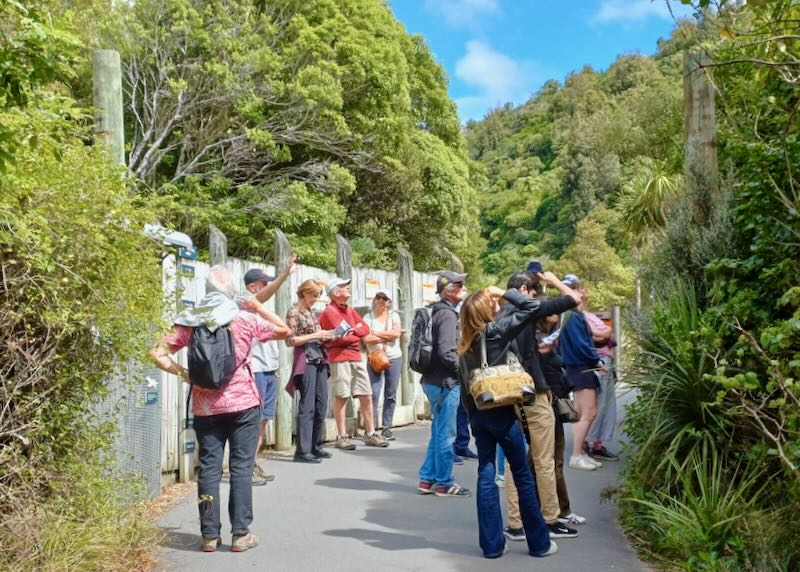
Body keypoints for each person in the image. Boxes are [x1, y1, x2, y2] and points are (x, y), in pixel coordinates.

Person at [148, 265, 290, 553]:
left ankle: (209, 536)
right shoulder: (244, 319)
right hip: (244, 406)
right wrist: (257, 306)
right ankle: (241, 534)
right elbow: (285, 331)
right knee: (241, 468)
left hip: (205, 407)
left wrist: (184, 374)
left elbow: (156, 352)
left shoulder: (190, 322)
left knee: (210, 469)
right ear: (230, 291)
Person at [458, 285, 567, 559]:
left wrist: (474, 419)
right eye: (492, 302)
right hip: (503, 414)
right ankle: (539, 544)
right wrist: (504, 292)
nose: (496, 304)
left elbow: (464, 391)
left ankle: (492, 546)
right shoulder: (495, 332)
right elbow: (531, 307)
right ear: (486, 310)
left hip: (480, 415)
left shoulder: (465, 344)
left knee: (485, 473)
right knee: (521, 474)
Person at [498, 271, 580, 542]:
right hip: (533, 392)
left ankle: (515, 523)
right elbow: (572, 299)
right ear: (524, 289)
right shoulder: (529, 310)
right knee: (543, 459)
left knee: (512, 461)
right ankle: (550, 519)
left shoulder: (497, 313)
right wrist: (555, 281)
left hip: (505, 393)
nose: (537, 297)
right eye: (535, 291)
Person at [417, 270, 471, 498]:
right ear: (450, 291)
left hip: (431, 380)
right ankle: (444, 483)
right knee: (446, 434)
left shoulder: (434, 311)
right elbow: (447, 352)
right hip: (445, 382)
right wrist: (466, 373)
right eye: (460, 286)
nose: (464, 290)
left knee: (438, 431)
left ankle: (427, 479)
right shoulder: (448, 315)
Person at [318, 278, 388, 449]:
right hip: (339, 357)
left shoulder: (349, 309)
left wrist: (351, 330)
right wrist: (354, 332)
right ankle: (341, 436)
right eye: (343, 286)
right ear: (335, 292)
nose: (347, 288)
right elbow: (342, 336)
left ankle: (370, 433)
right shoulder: (329, 312)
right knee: (341, 396)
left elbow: (365, 329)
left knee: (366, 394)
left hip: (356, 356)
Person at [537, 312, 587, 527]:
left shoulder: (546, 339)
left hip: (550, 403)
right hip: (547, 406)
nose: (556, 314)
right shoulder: (538, 342)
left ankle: (555, 510)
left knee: (545, 462)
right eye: (551, 311)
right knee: (549, 462)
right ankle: (556, 512)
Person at [241, 267, 286, 484]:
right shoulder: (245, 303)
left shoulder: (260, 310)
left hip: (270, 369)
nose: (268, 287)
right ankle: (244, 468)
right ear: (253, 286)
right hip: (256, 369)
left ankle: (252, 462)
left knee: (263, 421)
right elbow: (264, 297)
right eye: (264, 283)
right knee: (253, 421)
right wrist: (284, 275)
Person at [285, 279, 336, 463]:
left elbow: (317, 336)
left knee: (321, 402)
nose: (316, 299)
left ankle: (316, 445)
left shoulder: (311, 313)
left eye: (318, 296)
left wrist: (329, 336)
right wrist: (316, 335)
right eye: (314, 295)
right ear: (304, 293)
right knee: (307, 405)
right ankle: (302, 450)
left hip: (319, 358)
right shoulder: (294, 312)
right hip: (305, 359)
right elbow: (290, 340)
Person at [559, 274, 606, 471]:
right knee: (589, 412)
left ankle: (580, 452)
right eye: (579, 289)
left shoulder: (569, 315)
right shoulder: (573, 317)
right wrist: (597, 361)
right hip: (581, 367)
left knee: (580, 413)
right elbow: (581, 345)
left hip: (574, 366)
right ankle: (576, 454)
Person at [363, 288, 403, 441]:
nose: (380, 300)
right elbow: (366, 339)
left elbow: (396, 334)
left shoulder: (394, 315)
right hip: (375, 358)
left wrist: (376, 334)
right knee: (373, 393)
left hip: (394, 357)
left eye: (384, 298)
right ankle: (371, 428)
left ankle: (387, 427)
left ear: (388, 302)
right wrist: (386, 336)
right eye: (378, 297)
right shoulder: (368, 317)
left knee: (391, 393)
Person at [584, 311, 619, 461]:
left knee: (606, 404)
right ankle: (586, 442)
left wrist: (606, 333)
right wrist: (605, 333)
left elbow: (610, 336)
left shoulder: (589, 315)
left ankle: (597, 443)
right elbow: (597, 337)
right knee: (597, 403)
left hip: (605, 359)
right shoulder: (579, 317)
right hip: (597, 360)